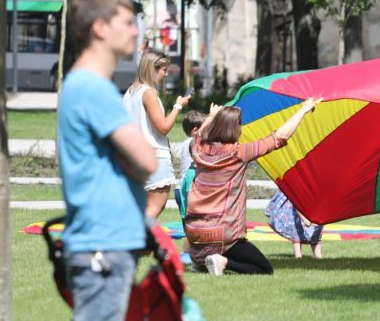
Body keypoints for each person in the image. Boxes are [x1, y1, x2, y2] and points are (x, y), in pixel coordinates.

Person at [52, 0, 157, 321]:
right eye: (127, 21)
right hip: (100, 246)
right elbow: (145, 157)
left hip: (106, 242)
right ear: (99, 28)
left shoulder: (86, 86)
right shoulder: (91, 88)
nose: (135, 30)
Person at [185, 98, 321, 275]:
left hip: (195, 232)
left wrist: (211, 117)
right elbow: (279, 137)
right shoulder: (238, 153)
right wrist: (303, 110)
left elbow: (199, 135)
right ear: (235, 128)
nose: (241, 129)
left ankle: (202, 262)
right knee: (264, 269)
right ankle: (222, 261)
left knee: (220, 251)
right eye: (240, 125)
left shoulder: (199, 149)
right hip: (223, 234)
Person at [122, 48, 191, 219]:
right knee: (152, 210)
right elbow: (164, 127)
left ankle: (131, 242)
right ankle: (131, 241)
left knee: (138, 210)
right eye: (164, 70)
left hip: (132, 158)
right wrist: (178, 105)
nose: (166, 74)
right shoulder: (148, 93)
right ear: (152, 69)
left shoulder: (129, 93)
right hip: (154, 158)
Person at [265, 189, 324, 259]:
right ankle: (298, 257)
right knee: (297, 232)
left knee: (316, 234)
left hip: (311, 205)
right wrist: (305, 220)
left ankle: (318, 256)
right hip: (297, 206)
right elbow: (297, 205)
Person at [175, 110, 206, 222]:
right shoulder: (192, 142)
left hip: (180, 188)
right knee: (194, 223)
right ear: (195, 130)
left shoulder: (185, 142)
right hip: (188, 189)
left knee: (187, 224)